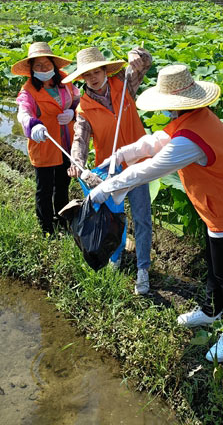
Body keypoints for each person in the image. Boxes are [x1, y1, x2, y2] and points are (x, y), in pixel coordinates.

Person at [88, 64, 223, 362]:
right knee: (213, 262)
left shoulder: (190, 139)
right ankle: (211, 310)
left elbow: (152, 168)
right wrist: (121, 155)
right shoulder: (195, 118)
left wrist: (108, 187)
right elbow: (155, 141)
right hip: (218, 205)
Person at [62, 46, 154, 294]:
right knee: (113, 219)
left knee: (142, 218)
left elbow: (145, 64)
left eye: (96, 71)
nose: (93, 77)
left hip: (138, 164)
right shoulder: (84, 109)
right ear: (82, 78)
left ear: (104, 70)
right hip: (111, 171)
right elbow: (80, 139)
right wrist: (77, 163)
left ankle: (143, 270)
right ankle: (115, 259)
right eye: (87, 75)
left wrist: (138, 54)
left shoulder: (123, 83)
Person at [13, 41, 80, 235]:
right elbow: (23, 112)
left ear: (53, 65)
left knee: (62, 185)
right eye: (38, 66)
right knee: (44, 189)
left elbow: (78, 100)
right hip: (44, 141)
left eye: (46, 64)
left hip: (67, 141)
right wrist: (32, 125)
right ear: (32, 70)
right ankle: (47, 229)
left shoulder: (66, 82)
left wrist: (73, 112)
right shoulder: (28, 91)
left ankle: (62, 220)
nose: (43, 68)